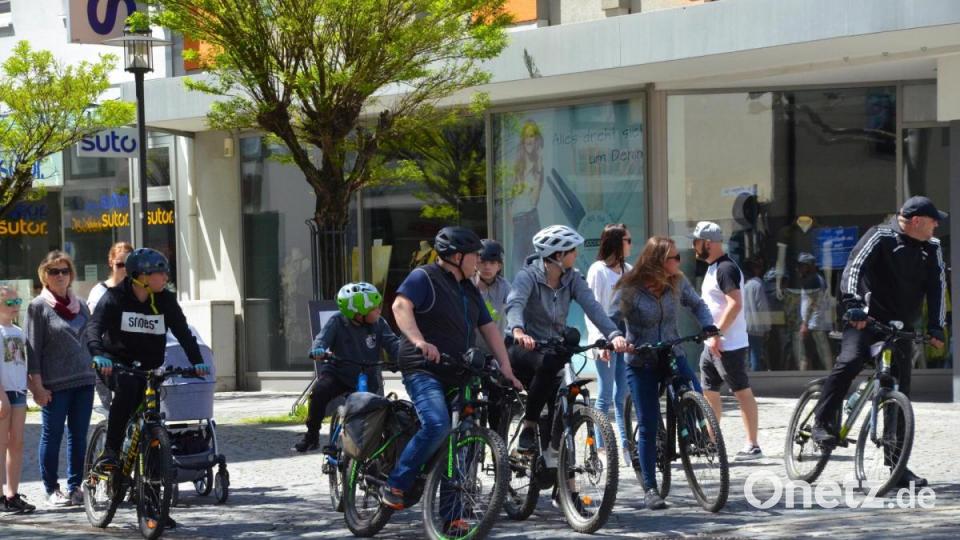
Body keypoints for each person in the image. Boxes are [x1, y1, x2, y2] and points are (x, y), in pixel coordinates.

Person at [380, 226, 523, 522]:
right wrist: (419, 341)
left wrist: (506, 368)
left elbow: (489, 328)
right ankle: (395, 483)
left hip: (459, 370)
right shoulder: (424, 277)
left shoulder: (468, 288)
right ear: (457, 257)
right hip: (423, 368)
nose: (478, 261)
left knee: (461, 439)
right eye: (474, 256)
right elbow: (400, 305)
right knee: (437, 424)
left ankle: (451, 516)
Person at [812, 196, 947, 488]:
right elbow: (853, 268)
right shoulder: (880, 236)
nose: (937, 225)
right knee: (850, 362)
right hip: (865, 320)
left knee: (900, 394)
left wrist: (936, 327)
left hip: (901, 328)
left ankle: (896, 466)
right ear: (916, 221)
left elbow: (937, 286)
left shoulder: (932, 247)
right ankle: (821, 422)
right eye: (933, 220)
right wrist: (853, 305)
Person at [85, 247, 209, 522]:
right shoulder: (115, 297)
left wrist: (198, 362)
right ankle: (110, 452)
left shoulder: (165, 300)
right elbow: (93, 327)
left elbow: (183, 332)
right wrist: (98, 353)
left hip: (149, 367)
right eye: (159, 273)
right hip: (116, 364)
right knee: (128, 388)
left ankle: (153, 507)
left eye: (166, 273)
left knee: (153, 427)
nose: (165, 277)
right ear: (141, 276)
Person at [609, 236, 717, 510]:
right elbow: (611, 319)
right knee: (648, 423)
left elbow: (698, 304)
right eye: (674, 258)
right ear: (658, 261)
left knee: (694, 389)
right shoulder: (630, 288)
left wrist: (708, 325)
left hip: (671, 352)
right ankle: (650, 488)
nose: (679, 262)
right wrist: (616, 339)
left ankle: (695, 436)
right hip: (641, 359)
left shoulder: (677, 281)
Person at [505, 224, 628, 455]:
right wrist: (518, 331)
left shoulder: (573, 278)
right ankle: (529, 427)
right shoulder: (527, 276)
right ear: (558, 255)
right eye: (572, 250)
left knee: (564, 390)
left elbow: (593, 307)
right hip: (523, 346)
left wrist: (614, 334)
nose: (577, 254)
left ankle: (556, 454)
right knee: (548, 364)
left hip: (552, 347)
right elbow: (515, 304)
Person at [25, 251, 96, 507]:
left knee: (79, 436)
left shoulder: (82, 305)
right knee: (52, 435)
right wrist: (37, 386)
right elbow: (32, 349)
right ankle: (51, 488)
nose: (60, 276)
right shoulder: (38, 307)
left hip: (84, 381)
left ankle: (75, 487)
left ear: (71, 275)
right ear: (44, 276)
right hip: (54, 386)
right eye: (54, 271)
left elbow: (91, 339)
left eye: (64, 271)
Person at [294, 282, 400, 452]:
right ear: (358, 312)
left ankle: (377, 448)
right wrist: (318, 350)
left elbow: (393, 344)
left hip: (368, 376)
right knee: (319, 392)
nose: (379, 310)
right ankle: (312, 435)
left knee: (378, 413)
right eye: (374, 308)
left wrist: (403, 357)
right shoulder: (337, 321)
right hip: (339, 373)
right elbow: (321, 339)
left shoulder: (380, 323)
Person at [689, 221, 763, 461]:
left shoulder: (726, 268)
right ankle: (711, 441)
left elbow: (735, 303)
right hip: (712, 345)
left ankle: (753, 444)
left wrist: (717, 333)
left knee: (741, 391)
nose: (693, 246)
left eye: (696, 242)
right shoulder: (713, 268)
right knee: (709, 391)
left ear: (707, 243)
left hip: (728, 345)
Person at [585, 223, 633, 463]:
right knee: (604, 394)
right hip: (605, 339)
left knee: (622, 395)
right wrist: (599, 341)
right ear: (616, 242)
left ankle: (625, 445)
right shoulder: (598, 270)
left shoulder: (629, 270)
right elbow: (592, 307)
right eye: (627, 240)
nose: (630, 245)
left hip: (626, 340)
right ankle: (600, 447)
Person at [86, 241, 134, 412]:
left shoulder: (139, 290)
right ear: (111, 263)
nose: (124, 269)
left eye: (128, 265)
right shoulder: (100, 291)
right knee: (114, 412)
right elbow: (94, 326)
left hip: (133, 357)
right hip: (108, 359)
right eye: (120, 265)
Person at [0, 285, 35, 514]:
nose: (16, 307)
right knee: (1, 443)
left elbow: (23, 365)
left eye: (18, 302)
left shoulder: (19, 332)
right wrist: (1, 395)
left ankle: (12, 494)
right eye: (10, 303)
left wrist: (36, 389)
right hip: (3, 393)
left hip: (19, 392)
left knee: (17, 443)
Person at [473, 239, 511, 434]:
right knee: (467, 401)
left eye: (493, 263)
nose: (487, 267)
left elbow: (515, 308)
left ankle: (499, 445)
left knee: (498, 402)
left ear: (500, 266)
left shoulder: (505, 287)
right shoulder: (468, 285)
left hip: (495, 353)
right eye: (483, 262)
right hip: (471, 352)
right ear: (475, 262)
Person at [797, 252, 834, 370]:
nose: (799, 269)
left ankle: (831, 374)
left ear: (809, 266)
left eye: (802, 266)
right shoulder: (817, 279)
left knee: (822, 353)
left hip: (815, 323)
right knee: (808, 354)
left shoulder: (812, 280)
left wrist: (804, 324)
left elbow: (811, 303)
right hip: (814, 322)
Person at [742, 257, 771, 371]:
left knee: (745, 357)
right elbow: (762, 307)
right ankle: (755, 377)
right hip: (756, 326)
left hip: (742, 325)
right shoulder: (757, 284)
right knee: (755, 355)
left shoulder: (742, 284)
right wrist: (767, 327)